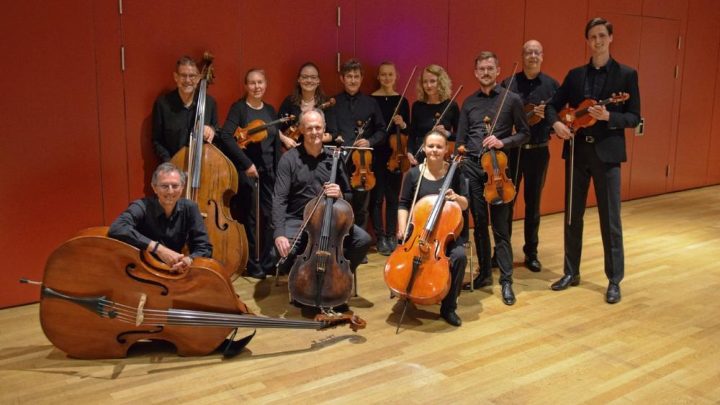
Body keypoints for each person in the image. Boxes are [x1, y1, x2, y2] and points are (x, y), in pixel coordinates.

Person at [545, 17, 641, 304]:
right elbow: (551, 106)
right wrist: (556, 124)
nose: (597, 41)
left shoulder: (627, 74)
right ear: (587, 41)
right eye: (592, 37)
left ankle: (614, 280)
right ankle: (570, 272)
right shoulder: (575, 75)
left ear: (611, 38)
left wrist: (610, 116)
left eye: (602, 36)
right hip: (577, 152)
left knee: (610, 219)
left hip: (607, 156)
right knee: (572, 215)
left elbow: (634, 117)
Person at [272, 109, 372, 309]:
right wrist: (279, 233)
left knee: (363, 240)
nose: (314, 132)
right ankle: (302, 283)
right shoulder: (289, 159)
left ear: (324, 129)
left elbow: (349, 195)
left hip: (330, 218)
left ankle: (337, 277)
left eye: (318, 127)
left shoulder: (334, 157)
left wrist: (341, 194)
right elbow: (279, 198)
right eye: (309, 128)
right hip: (298, 218)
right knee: (284, 250)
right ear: (301, 130)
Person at [456, 51, 530, 305]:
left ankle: (506, 281)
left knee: (500, 227)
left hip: (497, 171)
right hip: (472, 169)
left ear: (498, 70)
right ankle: (485, 274)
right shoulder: (468, 102)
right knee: (479, 223)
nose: (486, 73)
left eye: (490, 68)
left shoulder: (511, 100)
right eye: (482, 69)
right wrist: (461, 158)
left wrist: (502, 142)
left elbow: (525, 133)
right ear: (475, 73)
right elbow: (461, 139)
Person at [216, 69, 292, 279]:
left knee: (270, 216)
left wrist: (279, 168)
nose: (257, 86)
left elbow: (274, 139)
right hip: (248, 171)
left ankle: (267, 260)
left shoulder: (270, 110)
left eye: (260, 82)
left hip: (269, 171)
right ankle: (252, 262)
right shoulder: (239, 108)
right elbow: (226, 136)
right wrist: (246, 164)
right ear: (246, 85)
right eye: (252, 83)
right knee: (251, 217)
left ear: (265, 84)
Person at [396, 131, 468, 326]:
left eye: (439, 147)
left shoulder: (455, 173)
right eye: (430, 146)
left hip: (445, 233)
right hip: (419, 232)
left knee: (459, 257)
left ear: (446, 150)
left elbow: (465, 204)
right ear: (424, 148)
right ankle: (409, 291)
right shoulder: (413, 174)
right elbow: (403, 204)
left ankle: (449, 307)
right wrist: (402, 228)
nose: (434, 150)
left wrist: (456, 198)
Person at [500, 40, 559, 273]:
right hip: (513, 152)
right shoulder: (509, 83)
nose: (532, 56)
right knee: (506, 203)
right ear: (522, 56)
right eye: (528, 52)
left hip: (538, 151)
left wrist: (547, 119)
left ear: (542, 56)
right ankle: (502, 252)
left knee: (533, 205)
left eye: (537, 52)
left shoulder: (552, 86)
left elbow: (559, 119)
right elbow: (500, 116)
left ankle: (531, 253)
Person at [108, 162, 212, 271]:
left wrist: (189, 260)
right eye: (164, 186)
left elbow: (204, 247)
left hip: (174, 270)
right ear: (154, 188)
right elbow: (117, 227)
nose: (170, 191)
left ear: (182, 187)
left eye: (175, 186)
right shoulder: (141, 206)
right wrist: (158, 249)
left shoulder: (190, 208)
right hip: (142, 270)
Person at [331, 59, 386, 230]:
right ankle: (341, 240)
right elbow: (331, 130)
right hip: (340, 162)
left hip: (363, 164)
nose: (353, 80)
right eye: (349, 76)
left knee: (362, 208)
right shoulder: (334, 102)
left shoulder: (371, 103)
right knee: (340, 205)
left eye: (356, 76)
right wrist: (339, 139)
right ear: (342, 79)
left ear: (361, 79)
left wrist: (369, 141)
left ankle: (359, 242)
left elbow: (382, 131)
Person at [370, 62, 410, 256]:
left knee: (393, 197)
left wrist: (402, 124)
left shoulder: (402, 101)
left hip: (397, 154)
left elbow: (409, 131)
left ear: (396, 77)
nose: (387, 78)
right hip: (377, 153)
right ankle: (380, 237)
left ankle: (392, 235)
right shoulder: (371, 100)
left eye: (390, 74)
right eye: (383, 74)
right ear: (378, 77)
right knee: (377, 197)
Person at [152, 56, 218, 162]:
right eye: (183, 75)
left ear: (198, 78)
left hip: (203, 165)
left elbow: (217, 131)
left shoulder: (209, 103)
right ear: (176, 77)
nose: (187, 80)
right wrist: (170, 162)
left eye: (192, 76)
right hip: (173, 165)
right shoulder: (162, 104)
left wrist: (212, 130)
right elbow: (157, 140)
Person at [408, 64, 460, 165]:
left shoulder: (451, 105)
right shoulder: (417, 106)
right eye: (425, 82)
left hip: (443, 158)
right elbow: (412, 133)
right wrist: (409, 152)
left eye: (432, 81)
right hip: (420, 157)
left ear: (440, 82)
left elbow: (459, 135)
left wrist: (447, 133)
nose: (428, 85)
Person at [278, 62, 336, 145]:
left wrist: (313, 139)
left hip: (317, 149)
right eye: (305, 77)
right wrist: (285, 139)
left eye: (313, 77)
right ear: (299, 79)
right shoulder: (289, 101)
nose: (309, 80)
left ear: (318, 81)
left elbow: (333, 133)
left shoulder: (326, 102)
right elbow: (276, 128)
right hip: (292, 149)